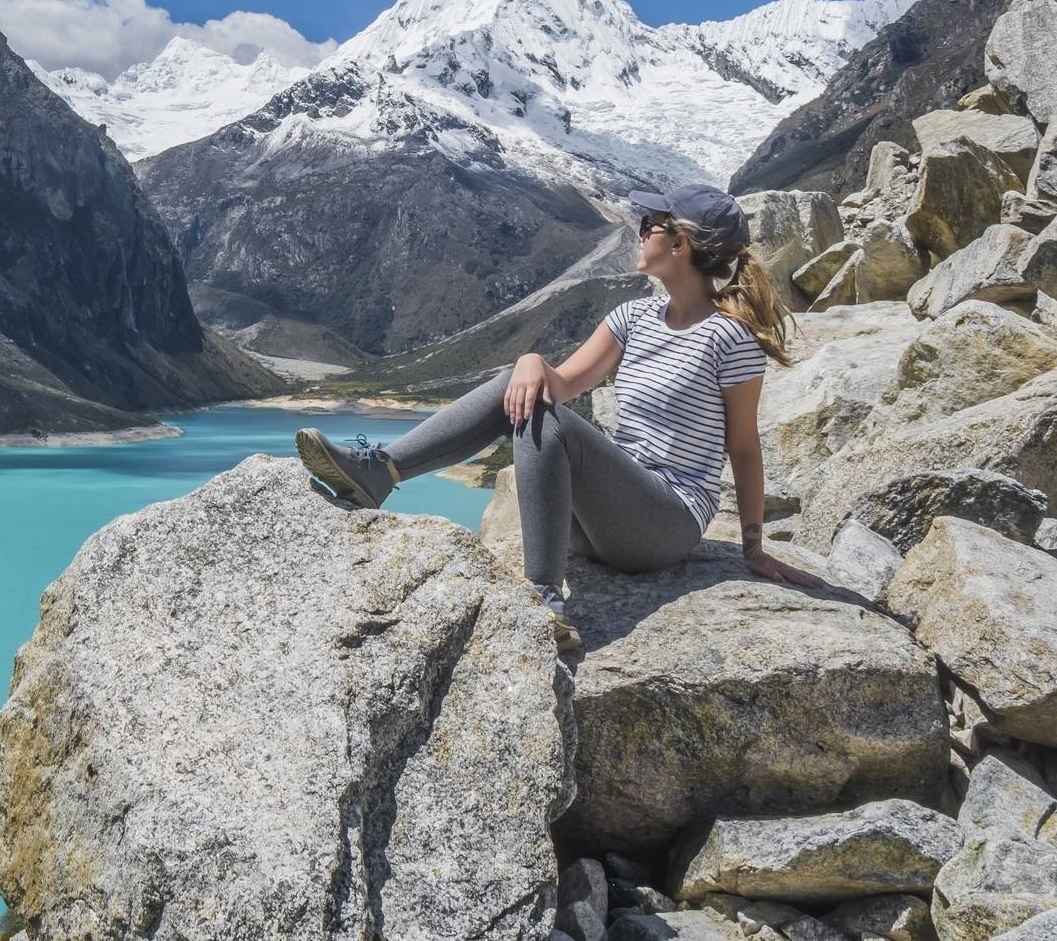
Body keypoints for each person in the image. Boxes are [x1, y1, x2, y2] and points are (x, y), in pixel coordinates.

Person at [294, 182, 817, 652]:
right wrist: (529, 361)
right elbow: (563, 383)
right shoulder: (632, 317)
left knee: (548, 419)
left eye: (647, 226)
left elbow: (744, 447)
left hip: (666, 522)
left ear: (678, 244)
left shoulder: (730, 339)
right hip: (602, 518)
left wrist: (754, 548)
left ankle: (544, 599)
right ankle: (380, 471)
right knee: (518, 387)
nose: (638, 234)